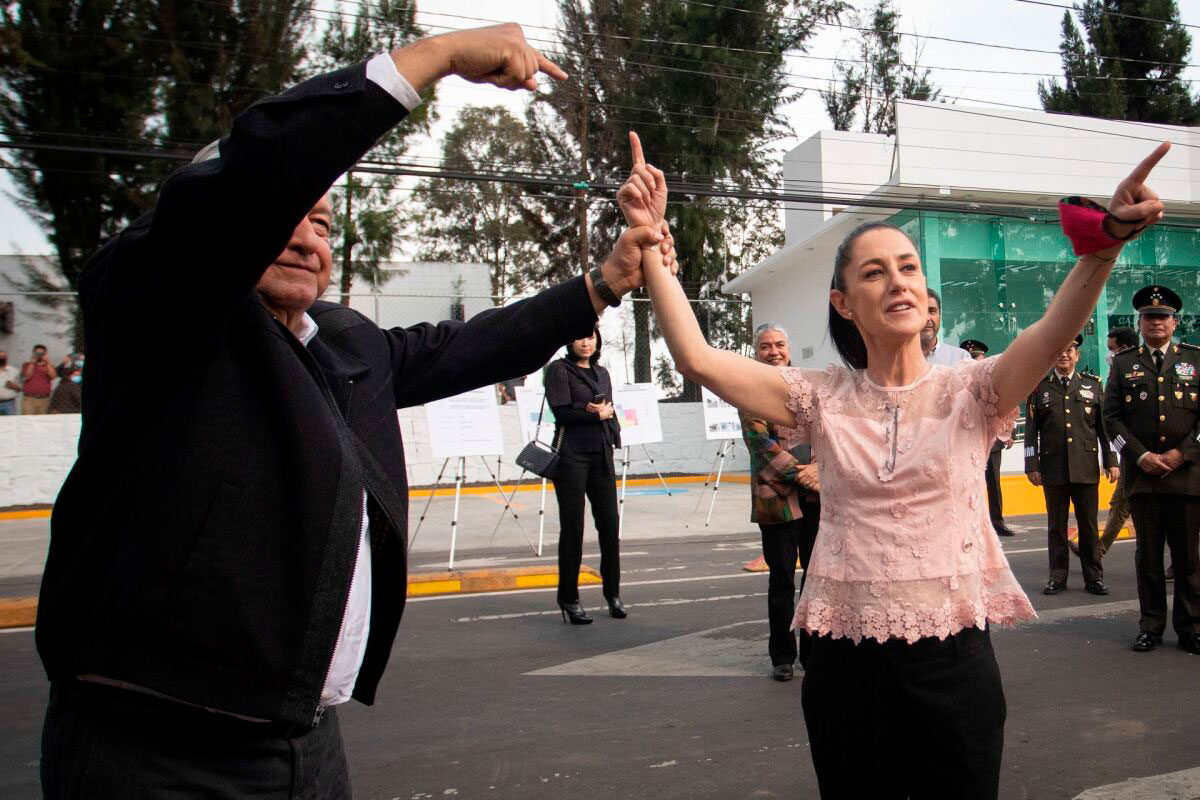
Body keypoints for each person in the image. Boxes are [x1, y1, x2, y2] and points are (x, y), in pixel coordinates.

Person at [36, 24, 678, 798]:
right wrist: (433, 58)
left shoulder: (343, 343)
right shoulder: (160, 306)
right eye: (290, 213)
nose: (308, 237)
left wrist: (605, 280)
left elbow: (471, 346)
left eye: (325, 224)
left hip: (308, 746)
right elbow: (250, 181)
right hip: (157, 755)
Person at [623, 127, 1169, 796]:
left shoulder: (974, 389)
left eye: (908, 266)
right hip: (843, 661)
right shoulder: (818, 396)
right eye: (875, 272)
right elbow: (699, 360)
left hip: (952, 659)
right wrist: (650, 244)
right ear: (844, 303)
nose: (898, 282)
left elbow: (1053, 328)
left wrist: (1102, 246)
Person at [1103, 285, 1200, 654]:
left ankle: (1191, 628)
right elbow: (1110, 419)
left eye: (1162, 316)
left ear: (1174, 323)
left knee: (1188, 557)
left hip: (1187, 476)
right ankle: (1151, 626)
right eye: (1149, 316)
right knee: (1147, 557)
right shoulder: (1124, 363)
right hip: (1143, 479)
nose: (1156, 322)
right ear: (1139, 323)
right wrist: (1139, 456)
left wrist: (1183, 453)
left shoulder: (1195, 359)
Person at [738, 322, 820, 681]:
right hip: (777, 501)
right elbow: (760, 444)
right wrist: (801, 472)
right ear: (756, 352)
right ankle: (782, 656)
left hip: (815, 498)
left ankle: (816, 653)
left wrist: (819, 468)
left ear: (789, 348)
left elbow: (825, 432)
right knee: (782, 580)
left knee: (817, 579)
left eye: (780, 344)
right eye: (766, 346)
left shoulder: (806, 387)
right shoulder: (748, 390)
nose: (774, 351)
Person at [1025, 334, 1118, 596]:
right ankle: (1058, 577)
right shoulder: (1039, 388)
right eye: (1060, 351)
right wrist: (1031, 464)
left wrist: (1111, 461)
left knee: (1088, 525)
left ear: (1077, 355)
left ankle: (1094, 578)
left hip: (1085, 467)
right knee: (1056, 526)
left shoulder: (1092, 385)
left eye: (1070, 350)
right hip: (1053, 468)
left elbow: (1104, 429)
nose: (1065, 354)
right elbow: (1031, 431)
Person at [544, 327, 623, 624]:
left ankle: (613, 593)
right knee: (573, 529)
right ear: (569, 341)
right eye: (579, 336)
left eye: (590, 336)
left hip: (602, 455)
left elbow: (609, 411)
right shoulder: (558, 370)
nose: (585, 342)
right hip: (571, 457)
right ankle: (569, 598)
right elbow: (561, 413)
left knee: (609, 526)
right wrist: (593, 414)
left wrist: (605, 414)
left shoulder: (602, 372)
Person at [961, 339, 1016, 536]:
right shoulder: (960, 378)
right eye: (972, 357)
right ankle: (971, 524)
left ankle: (997, 522)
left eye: (978, 357)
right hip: (966, 441)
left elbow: (1006, 403)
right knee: (967, 484)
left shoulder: (991, 377)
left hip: (992, 442)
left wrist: (1009, 433)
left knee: (994, 483)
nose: (976, 360)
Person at [1093, 326, 1139, 559]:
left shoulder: (1140, 372)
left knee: (1160, 510)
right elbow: (1110, 418)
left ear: (1126, 348)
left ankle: (1182, 562)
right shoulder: (1118, 373)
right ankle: (1097, 551)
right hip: (1131, 453)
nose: (1109, 354)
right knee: (1121, 504)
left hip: (1150, 453)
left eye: (1112, 349)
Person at [922, 289, 972, 366]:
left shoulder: (961, 358)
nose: (927, 318)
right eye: (921, 312)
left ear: (940, 317)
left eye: (932, 311)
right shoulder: (897, 358)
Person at [20, 343, 56, 414]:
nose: (39, 355)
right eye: (37, 353)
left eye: (42, 353)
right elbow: (27, 376)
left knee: (42, 421)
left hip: (44, 399)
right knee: (27, 420)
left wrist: (47, 362)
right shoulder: (27, 365)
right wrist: (32, 362)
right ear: (33, 353)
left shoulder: (48, 366)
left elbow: (53, 376)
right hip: (29, 399)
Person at [0, 350, 20, 415]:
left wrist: (13, 386)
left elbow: (20, 388)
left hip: (9, 403)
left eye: (3, 356)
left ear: (6, 358)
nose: (1, 358)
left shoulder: (14, 370)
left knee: (11, 423)